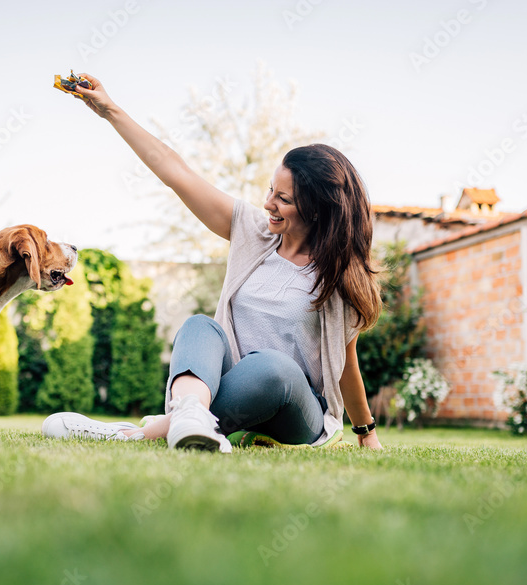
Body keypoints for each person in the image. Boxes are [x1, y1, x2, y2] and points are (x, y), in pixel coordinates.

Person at [42, 73, 383, 452]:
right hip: (231, 389)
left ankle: (137, 433)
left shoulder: (338, 276)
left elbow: (346, 363)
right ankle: (190, 417)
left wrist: (365, 432)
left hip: (295, 409)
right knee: (200, 326)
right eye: (271, 189)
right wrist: (109, 110)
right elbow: (176, 171)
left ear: (317, 211)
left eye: (283, 199)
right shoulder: (254, 233)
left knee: (274, 367)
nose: (268, 203)